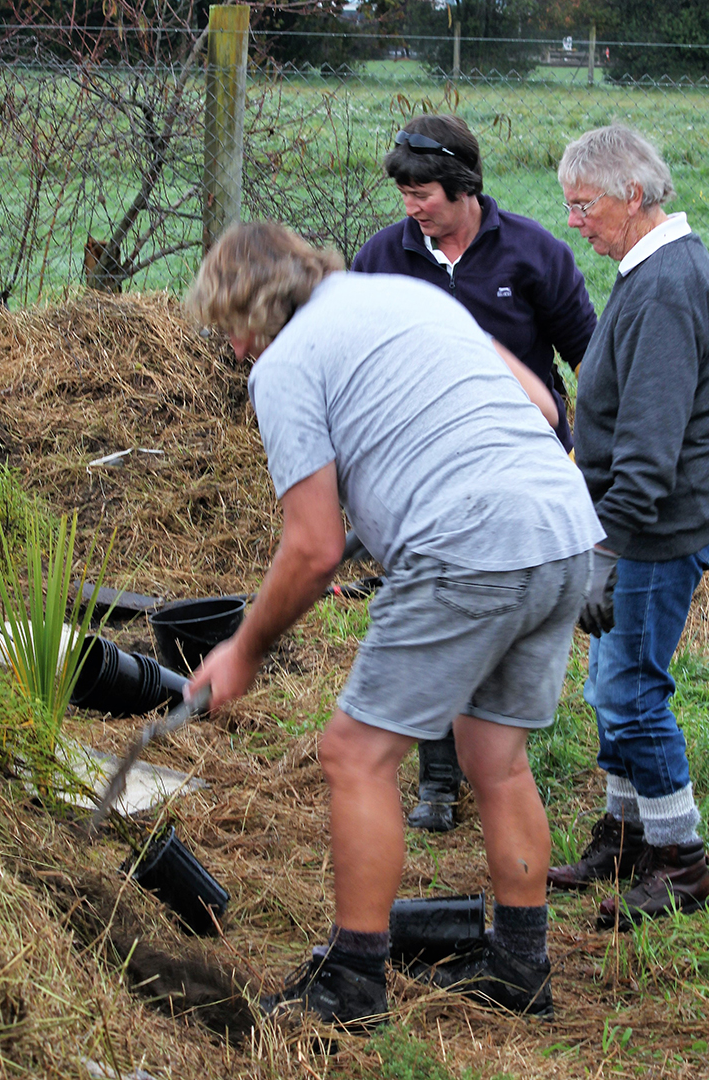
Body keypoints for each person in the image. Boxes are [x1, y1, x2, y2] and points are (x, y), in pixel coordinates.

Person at [184, 221, 604, 1028]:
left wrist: (244, 651)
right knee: (496, 759)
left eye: (232, 328)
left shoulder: (286, 363)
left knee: (353, 754)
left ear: (253, 309)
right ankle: (520, 967)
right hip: (560, 530)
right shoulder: (408, 297)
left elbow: (313, 547)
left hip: (467, 543)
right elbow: (541, 400)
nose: (235, 350)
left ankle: (351, 984)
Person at [352, 113, 597, 832]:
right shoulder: (382, 258)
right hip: (423, 480)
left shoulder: (534, 254)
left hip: (520, 480)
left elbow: (591, 361)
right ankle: (436, 783)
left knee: (496, 616)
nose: (411, 206)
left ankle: (496, 762)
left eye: (422, 193)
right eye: (403, 193)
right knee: (430, 612)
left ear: (463, 186)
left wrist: (588, 459)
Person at [547, 125, 709, 930]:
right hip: (636, 525)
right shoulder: (648, 269)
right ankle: (624, 835)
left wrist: (606, 548)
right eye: (567, 206)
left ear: (632, 195)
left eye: (583, 205)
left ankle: (679, 859)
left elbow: (650, 445)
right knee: (609, 680)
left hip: (655, 529)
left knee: (629, 691)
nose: (573, 223)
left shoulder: (663, 288)